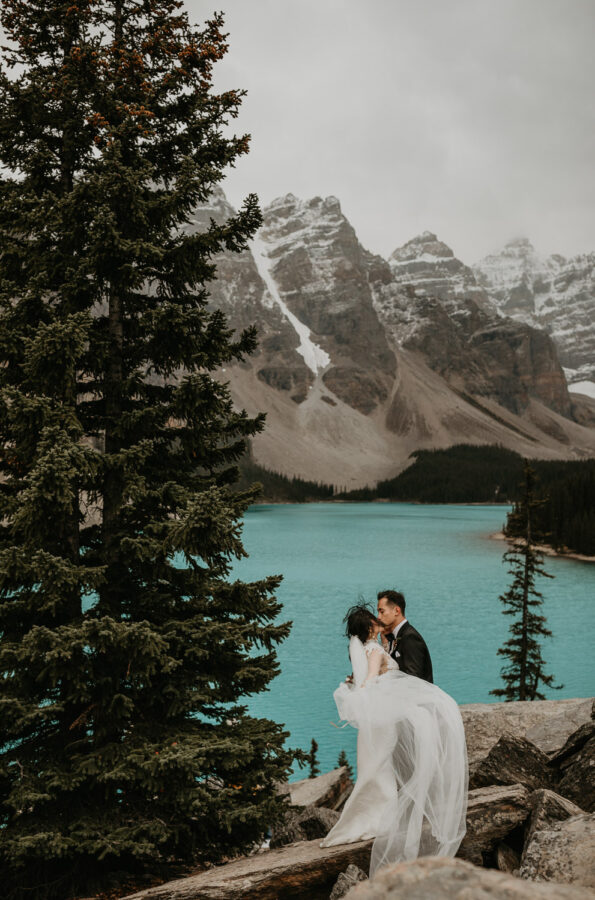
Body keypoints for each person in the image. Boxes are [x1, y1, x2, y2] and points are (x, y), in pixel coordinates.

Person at [321, 605, 467, 878]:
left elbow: (364, 680)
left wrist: (355, 691)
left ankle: (370, 818)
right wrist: (361, 691)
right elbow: (371, 681)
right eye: (374, 620)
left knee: (373, 767)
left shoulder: (364, 650)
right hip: (382, 719)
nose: (379, 622)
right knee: (380, 768)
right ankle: (381, 820)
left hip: (373, 721)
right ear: (369, 629)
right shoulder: (375, 651)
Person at [377, 590, 433, 682]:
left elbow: (414, 678)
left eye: (382, 612)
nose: (378, 617)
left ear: (397, 611)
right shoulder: (393, 636)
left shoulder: (410, 637)